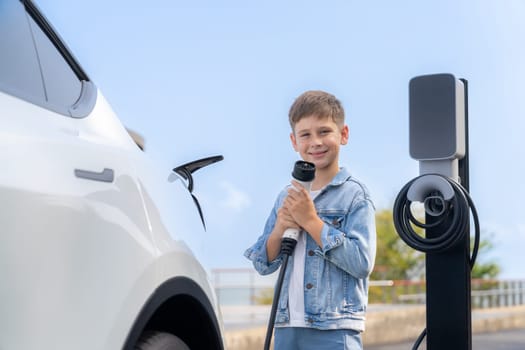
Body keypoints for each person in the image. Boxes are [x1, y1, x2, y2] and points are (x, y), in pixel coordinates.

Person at [244, 90, 377, 349]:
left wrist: (312, 222)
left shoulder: (354, 195)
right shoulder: (287, 195)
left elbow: (361, 262)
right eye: (305, 134)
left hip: (334, 328)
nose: (315, 142)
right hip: (286, 327)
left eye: (324, 131)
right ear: (294, 141)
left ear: (344, 134)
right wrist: (281, 227)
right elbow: (264, 263)